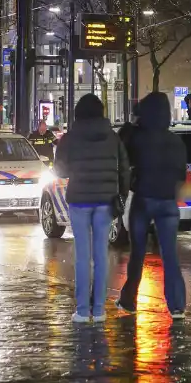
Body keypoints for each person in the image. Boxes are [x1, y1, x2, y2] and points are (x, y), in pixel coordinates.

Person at [53, 94, 129, 323]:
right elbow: (125, 169)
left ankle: (82, 310)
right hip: (105, 201)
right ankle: (99, 311)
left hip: (79, 201)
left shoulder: (70, 138)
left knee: (83, 257)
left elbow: (60, 171)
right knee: (101, 255)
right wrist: (121, 196)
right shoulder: (113, 137)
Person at [118, 92, 189, 319]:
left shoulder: (139, 137)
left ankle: (129, 300)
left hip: (144, 199)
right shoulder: (176, 141)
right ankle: (177, 306)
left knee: (138, 253)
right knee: (170, 255)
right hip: (168, 202)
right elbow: (182, 174)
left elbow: (123, 154)